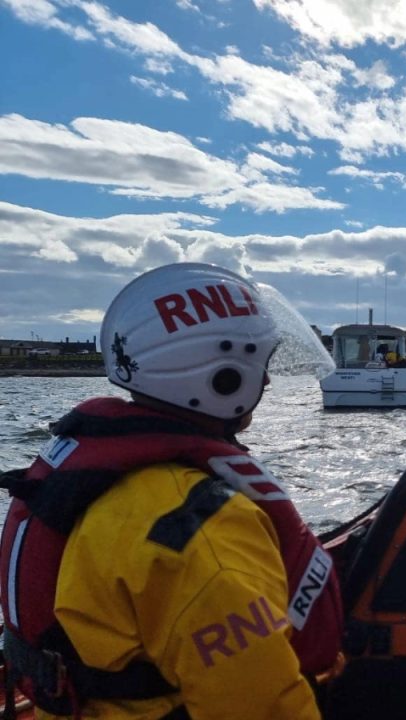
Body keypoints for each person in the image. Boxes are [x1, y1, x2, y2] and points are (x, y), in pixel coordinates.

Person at [0, 263, 344, 719]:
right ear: (223, 376)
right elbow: (263, 705)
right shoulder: (203, 531)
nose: (266, 381)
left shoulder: (101, 480)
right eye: (259, 365)